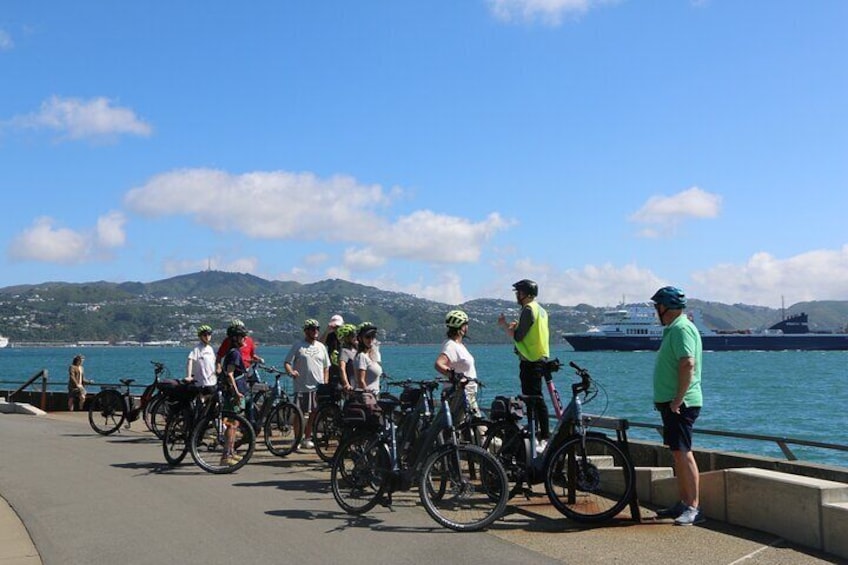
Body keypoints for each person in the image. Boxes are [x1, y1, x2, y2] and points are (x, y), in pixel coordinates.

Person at [650, 286, 705, 526]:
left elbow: (687, 364)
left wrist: (677, 400)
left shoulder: (682, 329)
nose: (655, 312)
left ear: (664, 308)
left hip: (681, 404)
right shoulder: (674, 329)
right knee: (678, 453)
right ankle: (683, 503)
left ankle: (693, 508)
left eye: (656, 307)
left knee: (684, 453)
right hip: (673, 403)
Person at [498, 279, 551, 452]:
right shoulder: (541, 310)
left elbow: (519, 337)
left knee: (533, 399)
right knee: (538, 399)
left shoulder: (528, 310)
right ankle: (540, 434)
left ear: (526, 294)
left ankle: (541, 437)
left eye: (518, 292)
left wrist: (505, 326)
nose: (517, 296)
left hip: (530, 361)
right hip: (540, 358)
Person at [284, 319, 331, 449]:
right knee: (299, 414)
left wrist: (325, 382)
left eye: (317, 329)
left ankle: (307, 437)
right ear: (306, 331)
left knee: (314, 414)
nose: (315, 331)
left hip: (317, 387)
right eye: (312, 329)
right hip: (301, 386)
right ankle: (297, 439)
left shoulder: (321, 347)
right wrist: (291, 372)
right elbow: (287, 362)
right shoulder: (298, 345)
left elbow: (326, 366)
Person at [434, 309, 480, 417]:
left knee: (477, 428)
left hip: (468, 395)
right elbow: (439, 364)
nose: (467, 327)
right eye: (466, 324)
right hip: (458, 396)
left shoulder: (459, 345)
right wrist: (454, 376)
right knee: (463, 427)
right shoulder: (451, 346)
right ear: (461, 327)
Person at [220, 325, 251, 465]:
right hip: (234, 394)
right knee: (232, 425)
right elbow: (230, 373)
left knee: (235, 424)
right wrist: (236, 392)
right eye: (242, 336)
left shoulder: (234, 352)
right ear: (235, 338)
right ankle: (226, 455)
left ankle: (231, 452)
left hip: (238, 391)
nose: (245, 338)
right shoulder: (234, 353)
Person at [185, 324, 217, 396]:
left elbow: (213, 363)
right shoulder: (197, 349)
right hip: (201, 382)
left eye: (209, 334)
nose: (207, 337)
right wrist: (189, 376)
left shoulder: (210, 349)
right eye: (205, 335)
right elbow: (190, 361)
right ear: (200, 336)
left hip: (212, 381)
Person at [354, 322, 383, 392]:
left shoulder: (372, 356)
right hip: (367, 398)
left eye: (373, 336)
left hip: (375, 396)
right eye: (367, 337)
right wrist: (368, 394)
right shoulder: (361, 356)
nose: (370, 340)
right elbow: (361, 381)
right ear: (360, 339)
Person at [321, 314, 344, 387]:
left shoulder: (347, 336)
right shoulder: (330, 336)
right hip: (331, 368)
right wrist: (327, 331)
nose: (336, 329)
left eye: (338, 327)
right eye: (335, 327)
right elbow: (320, 344)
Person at [336, 323, 358, 391]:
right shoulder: (344, 351)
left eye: (355, 335)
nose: (355, 337)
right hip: (351, 385)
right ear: (346, 338)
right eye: (352, 335)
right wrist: (346, 384)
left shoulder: (356, 350)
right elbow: (342, 369)